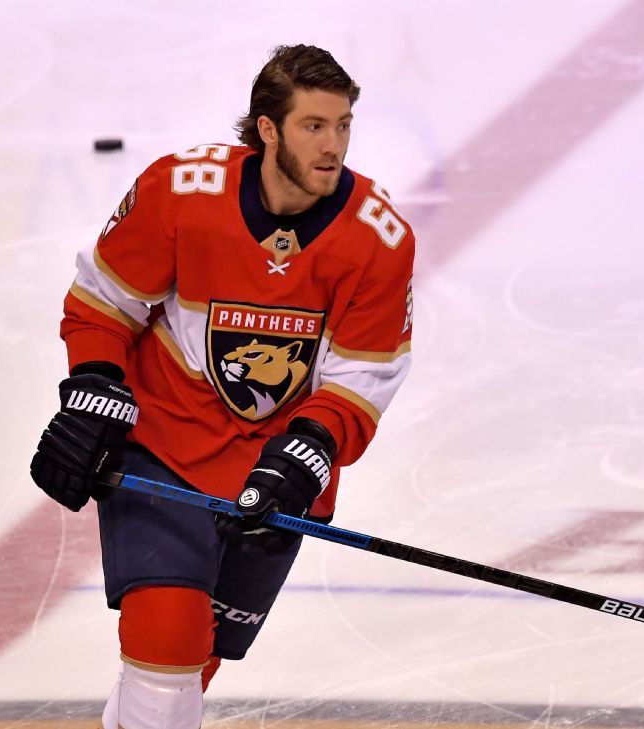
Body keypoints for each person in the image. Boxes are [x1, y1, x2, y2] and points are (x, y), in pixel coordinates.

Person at [29, 44, 414, 729]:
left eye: (343, 125)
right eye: (314, 126)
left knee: (196, 656)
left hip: (275, 467)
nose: (334, 145)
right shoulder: (181, 192)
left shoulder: (378, 237)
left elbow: (363, 374)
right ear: (267, 129)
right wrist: (93, 384)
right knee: (166, 633)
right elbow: (104, 303)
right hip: (164, 446)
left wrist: (310, 449)